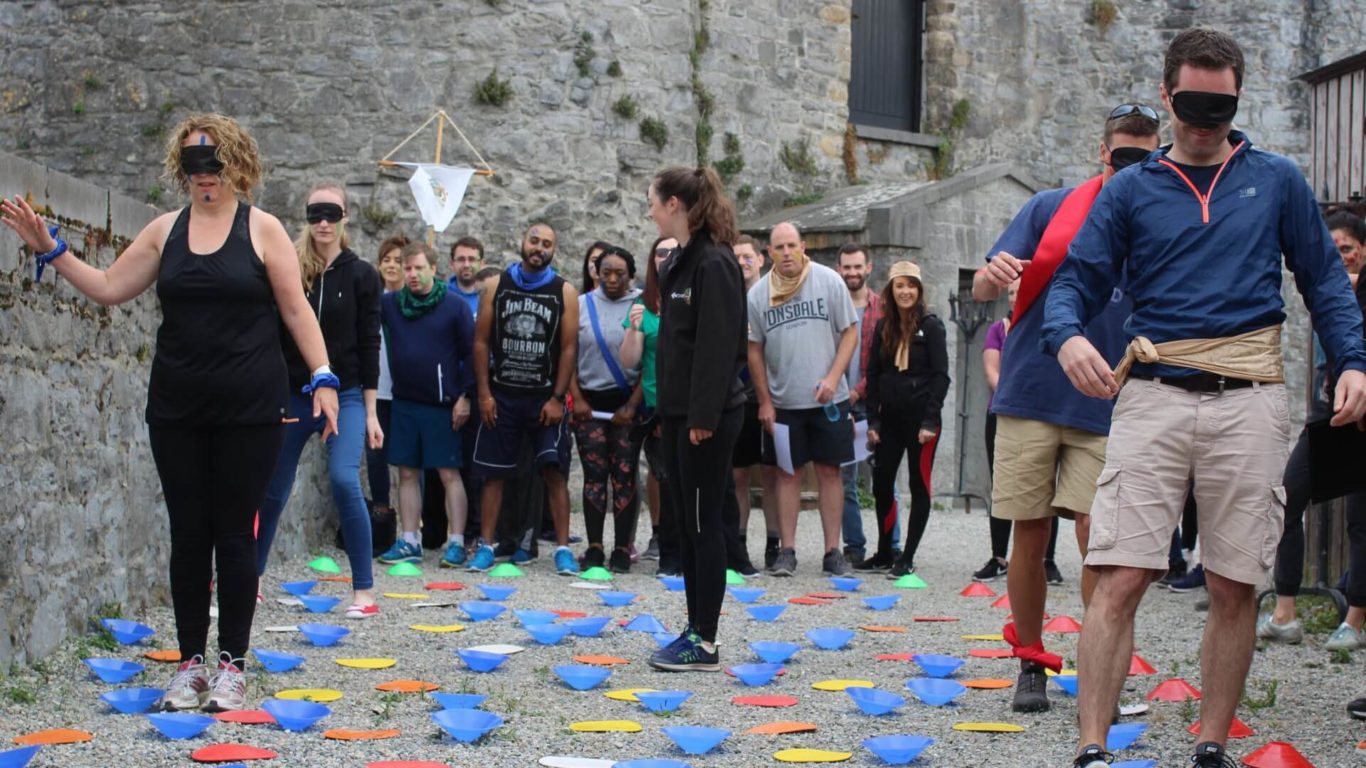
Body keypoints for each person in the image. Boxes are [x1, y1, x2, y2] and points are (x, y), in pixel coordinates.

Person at [1041, 30, 1366, 768]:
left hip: (1248, 397)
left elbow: (1323, 279)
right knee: (1121, 574)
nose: (1202, 123)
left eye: (1219, 109)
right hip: (1154, 393)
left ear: (1238, 100)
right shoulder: (1131, 188)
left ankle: (1211, 745)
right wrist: (1066, 338)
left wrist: (1353, 360)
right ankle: (1091, 748)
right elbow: (1075, 281)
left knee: (1233, 580)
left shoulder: (1277, 180)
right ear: (1166, 97)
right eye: (1190, 106)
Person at [1, 113, 339, 712]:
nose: (204, 175)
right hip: (179, 405)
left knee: (234, 534)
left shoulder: (263, 230)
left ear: (236, 164)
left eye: (214, 162)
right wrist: (50, 249)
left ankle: (232, 665)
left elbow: (295, 311)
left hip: (249, 408)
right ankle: (190, 666)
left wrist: (324, 377)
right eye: (192, 164)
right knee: (188, 534)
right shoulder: (165, 230)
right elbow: (109, 286)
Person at [974, 102, 1159, 715]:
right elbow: (981, 286)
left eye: (1145, 158)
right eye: (1123, 155)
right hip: (1031, 390)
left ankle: (1097, 671)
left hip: (1106, 399)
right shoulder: (1051, 208)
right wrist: (992, 273)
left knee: (1098, 539)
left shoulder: (1157, 221)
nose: (1132, 167)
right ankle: (1031, 663)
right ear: (1102, 152)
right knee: (1029, 532)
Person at [254, 182, 382, 619]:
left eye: (331, 214)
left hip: (345, 392)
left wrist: (370, 412)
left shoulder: (362, 275)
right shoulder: (289, 266)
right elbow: (273, 330)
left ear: (345, 218)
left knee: (345, 480)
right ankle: (249, 579)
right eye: (315, 214)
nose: (323, 223)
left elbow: (369, 344)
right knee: (273, 486)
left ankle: (364, 590)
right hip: (294, 391)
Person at [645, 166, 747, 672]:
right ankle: (693, 627)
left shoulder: (715, 262)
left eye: (652, 202)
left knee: (705, 526)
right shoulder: (680, 262)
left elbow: (718, 347)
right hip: (679, 414)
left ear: (674, 204)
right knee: (687, 525)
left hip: (707, 418)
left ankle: (705, 641)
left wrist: (702, 415)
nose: (649, 211)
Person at [1259, 210, 1366, 650]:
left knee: (1361, 521)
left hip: (1362, 417)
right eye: (1333, 249)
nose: (1341, 257)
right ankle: (1285, 613)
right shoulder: (1329, 290)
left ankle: (1354, 621)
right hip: (1328, 415)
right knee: (1288, 498)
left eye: (1348, 248)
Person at [748, 222, 859, 577]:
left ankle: (833, 551)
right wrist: (764, 401)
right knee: (787, 473)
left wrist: (833, 377)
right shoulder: (758, 295)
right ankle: (787, 550)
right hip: (784, 402)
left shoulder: (829, 281)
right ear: (769, 253)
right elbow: (754, 350)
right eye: (778, 247)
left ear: (803, 247)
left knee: (830, 472)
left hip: (829, 401)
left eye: (791, 245)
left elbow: (850, 332)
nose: (786, 253)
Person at [469, 223, 580, 575]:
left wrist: (558, 397)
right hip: (503, 395)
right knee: (494, 474)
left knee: (554, 472)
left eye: (547, 244)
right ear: (522, 242)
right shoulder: (496, 286)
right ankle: (486, 547)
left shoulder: (564, 291)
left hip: (543, 398)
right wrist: (484, 393)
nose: (539, 248)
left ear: (553, 250)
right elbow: (481, 342)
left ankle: (562, 549)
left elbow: (568, 348)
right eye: (534, 241)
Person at [375, 242, 474, 569]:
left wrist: (465, 396)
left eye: (419, 268)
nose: (412, 274)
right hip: (404, 401)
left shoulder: (454, 306)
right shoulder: (391, 304)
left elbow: (471, 353)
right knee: (406, 472)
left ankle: (456, 541)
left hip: (442, 404)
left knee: (448, 473)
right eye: (408, 268)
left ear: (433, 268)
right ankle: (409, 540)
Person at [864, 262, 949, 576]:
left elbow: (941, 376)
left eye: (911, 285)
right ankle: (886, 551)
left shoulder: (932, 326)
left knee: (919, 484)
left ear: (919, 290)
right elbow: (873, 375)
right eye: (899, 285)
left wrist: (930, 421)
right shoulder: (884, 327)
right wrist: (873, 421)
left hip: (921, 421)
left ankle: (908, 556)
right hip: (889, 419)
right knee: (882, 482)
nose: (905, 292)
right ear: (891, 290)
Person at [976, 281, 1062, 583]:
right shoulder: (998, 330)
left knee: (1047, 487)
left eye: (1021, 291)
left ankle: (1047, 560)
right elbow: (992, 372)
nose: (1015, 297)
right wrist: (1015, 398)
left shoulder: (1050, 326)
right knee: (1001, 486)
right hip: (1005, 411)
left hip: (1044, 412)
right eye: (1011, 292)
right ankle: (998, 557)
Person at [569, 245, 645, 573]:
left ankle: (623, 547)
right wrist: (577, 398)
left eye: (620, 274)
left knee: (625, 475)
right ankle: (595, 546)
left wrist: (633, 404)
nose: (612, 279)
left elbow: (651, 361)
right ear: (596, 274)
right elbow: (567, 354)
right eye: (606, 273)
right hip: (589, 404)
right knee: (595, 476)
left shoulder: (643, 306)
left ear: (632, 275)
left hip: (629, 403)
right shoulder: (580, 305)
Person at [621, 237, 677, 575]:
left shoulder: (692, 296)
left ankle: (685, 542)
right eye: (661, 252)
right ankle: (662, 538)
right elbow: (630, 361)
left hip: (688, 403)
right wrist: (633, 329)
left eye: (673, 251)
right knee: (660, 474)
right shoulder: (643, 303)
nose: (666, 257)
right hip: (655, 404)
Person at [730, 234, 777, 573]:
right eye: (736, 257)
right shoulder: (726, 297)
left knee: (773, 474)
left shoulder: (774, 295)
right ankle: (739, 543)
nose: (742, 262)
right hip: (739, 397)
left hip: (774, 395)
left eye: (747, 256)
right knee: (739, 476)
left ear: (761, 259)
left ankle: (775, 544)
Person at [365, 234, 410, 557]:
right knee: (376, 458)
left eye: (398, 260)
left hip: (407, 391)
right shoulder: (372, 301)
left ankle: (414, 528)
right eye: (386, 260)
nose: (392, 265)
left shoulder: (413, 302)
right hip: (377, 391)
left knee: (410, 461)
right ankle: (382, 520)